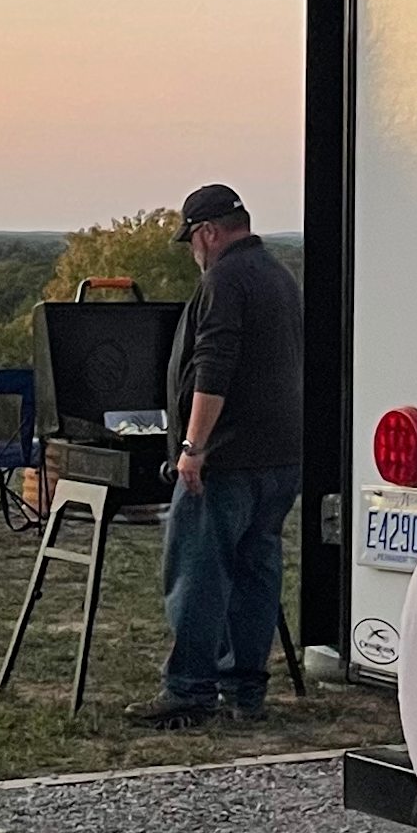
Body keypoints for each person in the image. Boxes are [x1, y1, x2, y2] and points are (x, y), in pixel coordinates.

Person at [127, 182, 304, 727]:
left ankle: (189, 691)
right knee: (256, 574)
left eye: (192, 242)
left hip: (226, 459)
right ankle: (246, 693)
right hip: (280, 458)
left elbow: (214, 366)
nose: (193, 254)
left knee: (199, 573)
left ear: (207, 233)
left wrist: (193, 447)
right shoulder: (279, 277)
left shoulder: (224, 281)